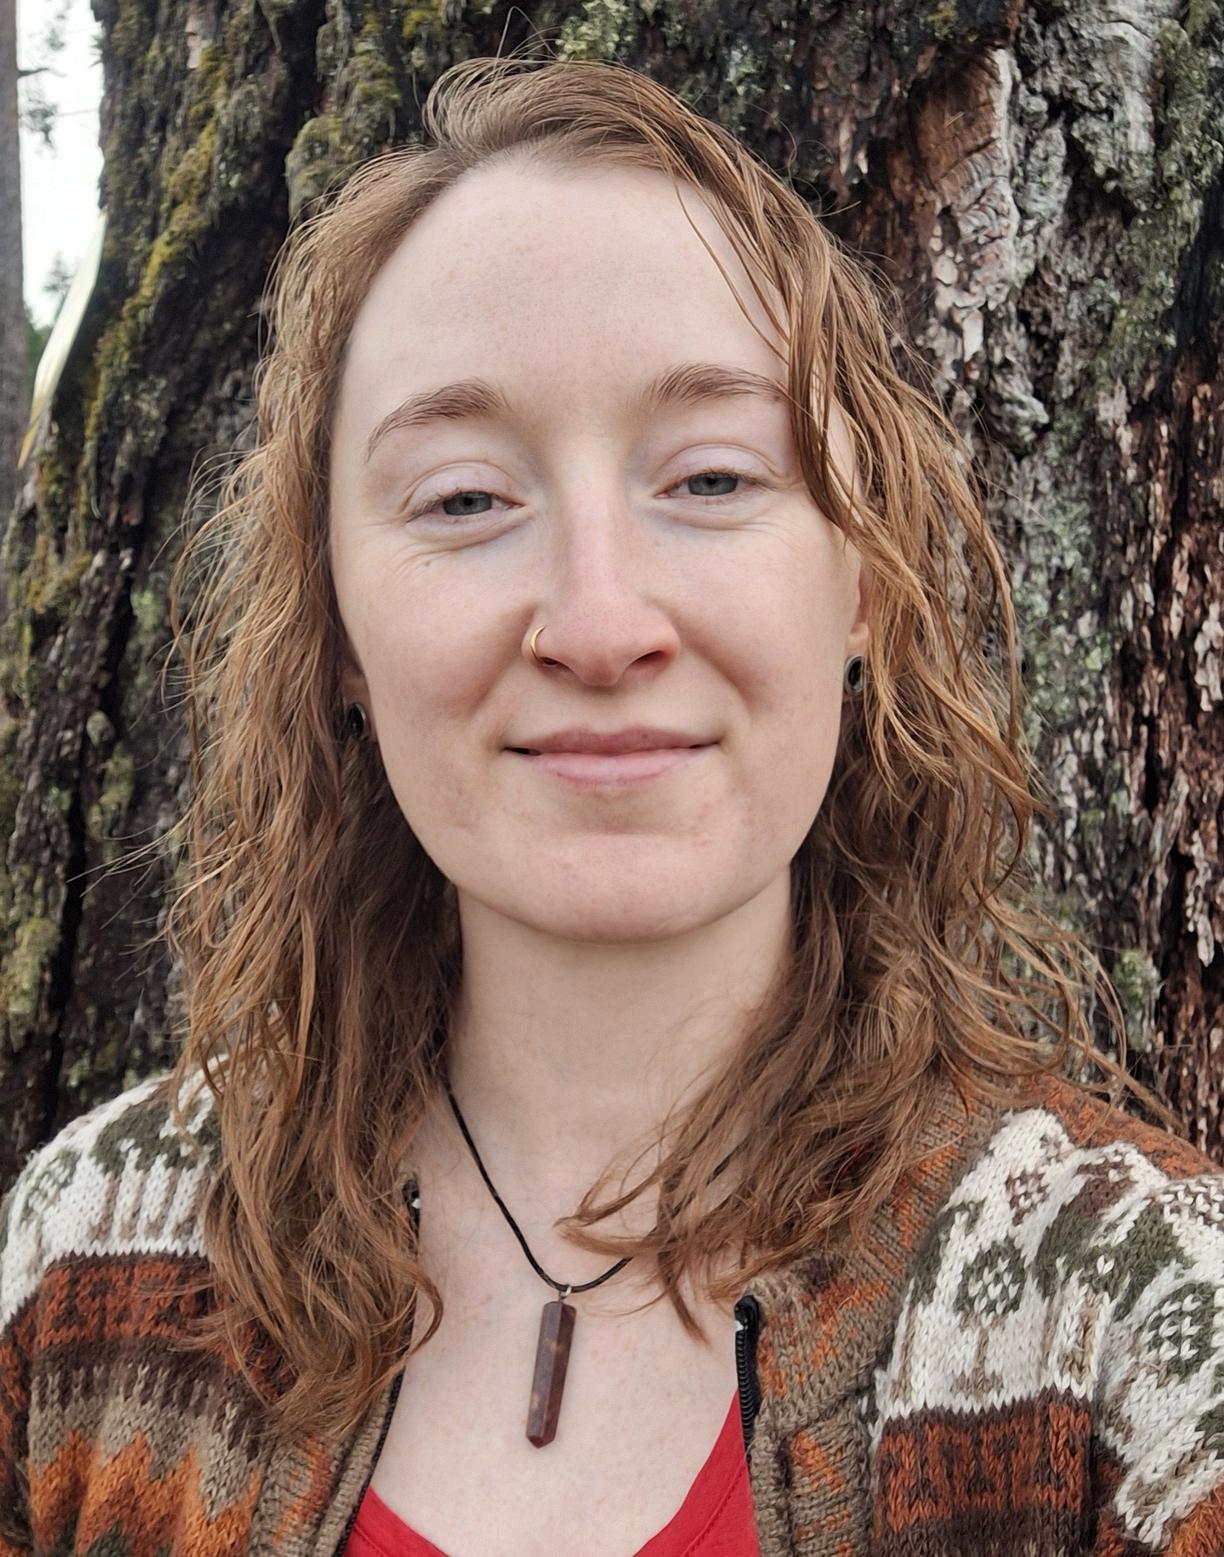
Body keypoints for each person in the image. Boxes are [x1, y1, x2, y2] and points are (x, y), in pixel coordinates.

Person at [2, 48, 1223, 1557]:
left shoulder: (1138, 1325)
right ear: (337, 636)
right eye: (463, 498)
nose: (597, 620)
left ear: (864, 583)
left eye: (711, 478)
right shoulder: (87, 1268)